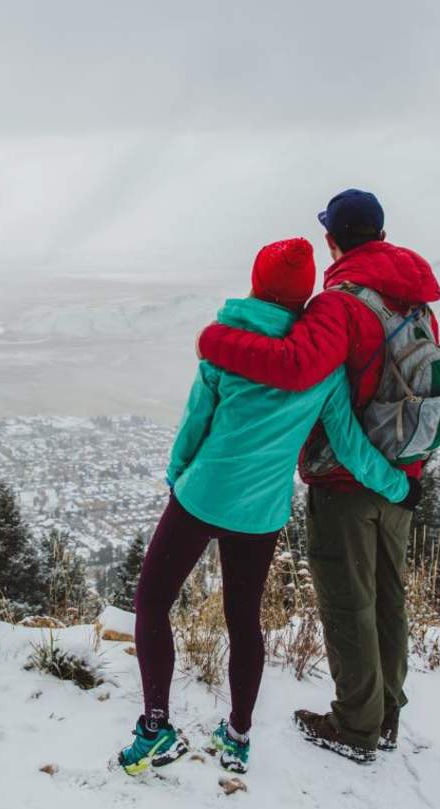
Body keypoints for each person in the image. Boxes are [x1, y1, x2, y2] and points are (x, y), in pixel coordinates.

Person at [118, 237, 419, 777]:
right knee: (244, 622)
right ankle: (237, 735)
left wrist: (176, 478)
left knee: (152, 603)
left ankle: (156, 727)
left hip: (201, 497)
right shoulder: (322, 369)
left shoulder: (229, 345)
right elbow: (349, 444)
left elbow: (194, 426)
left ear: (257, 284)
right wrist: (397, 487)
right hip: (261, 514)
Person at [195, 189, 440, 763]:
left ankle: (355, 727)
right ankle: (385, 715)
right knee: (387, 597)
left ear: (333, 239)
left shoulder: (341, 302)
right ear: (379, 236)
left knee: (347, 601)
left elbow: (296, 368)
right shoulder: (415, 301)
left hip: (347, 481)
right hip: (402, 475)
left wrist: (216, 341)